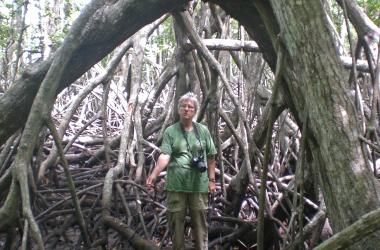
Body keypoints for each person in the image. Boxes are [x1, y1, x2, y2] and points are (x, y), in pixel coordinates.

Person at [146, 92, 217, 250]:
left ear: (195, 111)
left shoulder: (203, 131)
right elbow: (165, 156)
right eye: (183, 106)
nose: (186, 109)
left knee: (200, 227)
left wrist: (212, 181)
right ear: (178, 109)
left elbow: (211, 157)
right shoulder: (171, 131)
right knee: (176, 226)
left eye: (190, 107)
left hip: (199, 186)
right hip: (176, 186)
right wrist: (154, 174)